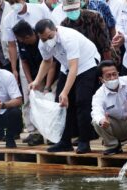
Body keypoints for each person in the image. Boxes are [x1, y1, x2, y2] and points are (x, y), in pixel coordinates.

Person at [30, 19, 100, 154]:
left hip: (87, 64)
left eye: (50, 37)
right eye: (43, 39)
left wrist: (65, 92)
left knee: (82, 102)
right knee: (61, 104)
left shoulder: (69, 38)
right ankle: (64, 141)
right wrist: (37, 81)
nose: (47, 40)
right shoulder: (43, 43)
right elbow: (47, 61)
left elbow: (75, 67)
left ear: (55, 29)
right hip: (66, 66)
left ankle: (84, 141)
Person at [3, 0, 52, 144]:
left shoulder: (39, 10)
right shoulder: (8, 19)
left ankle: (49, 132)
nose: (14, 4)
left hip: (48, 55)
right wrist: (14, 69)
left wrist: (47, 84)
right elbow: (12, 46)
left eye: (16, 1)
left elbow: (51, 61)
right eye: (11, 2)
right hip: (26, 61)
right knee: (29, 95)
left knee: (48, 97)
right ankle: (33, 132)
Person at [12, 20, 58, 145]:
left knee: (50, 103)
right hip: (35, 75)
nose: (20, 41)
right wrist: (31, 83)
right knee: (32, 102)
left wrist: (47, 87)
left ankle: (52, 135)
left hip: (52, 75)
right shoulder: (22, 42)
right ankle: (35, 133)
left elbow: (52, 64)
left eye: (21, 39)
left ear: (27, 37)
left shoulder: (43, 39)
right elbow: (24, 62)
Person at [91, 60, 127, 155]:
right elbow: (96, 111)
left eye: (114, 74)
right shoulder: (99, 95)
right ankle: (113, 145)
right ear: (101, 79)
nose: (113, 78)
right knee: (95, 122)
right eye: (108, 76)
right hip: (114, 126)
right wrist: (101, 120)